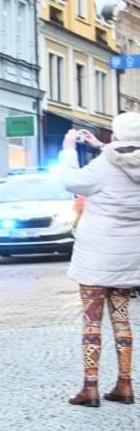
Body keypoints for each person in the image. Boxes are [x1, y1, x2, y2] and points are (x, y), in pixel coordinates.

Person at [61, 112, 140, 407]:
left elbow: (72, 182)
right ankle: (125, 384)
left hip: (96, 257)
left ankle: (90, 388)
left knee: (92, 322)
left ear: (116, 135)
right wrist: (101, 146)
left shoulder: (104, 164)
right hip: (128, 256)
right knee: (122, 319)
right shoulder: (116, 159)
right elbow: (126, 158)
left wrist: (69, 150)